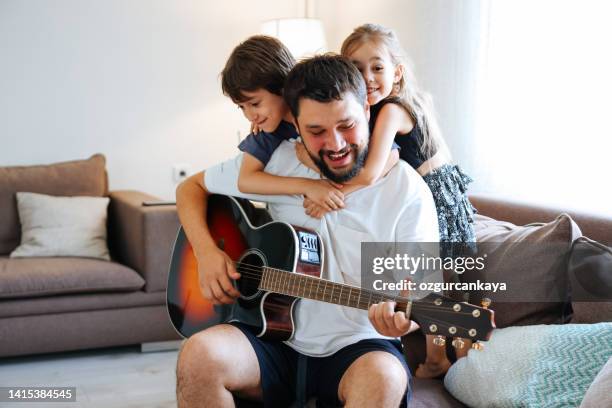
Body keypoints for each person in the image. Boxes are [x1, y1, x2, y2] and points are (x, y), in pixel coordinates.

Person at [175, 54, 439, 407]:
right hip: (270, 336)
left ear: (366, 107)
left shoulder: (405, 190)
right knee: (199, 354)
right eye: (316, 131)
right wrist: (207, 253)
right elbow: (190, 189)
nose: (336, 144)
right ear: (295, 123)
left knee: (385, 376)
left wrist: (404, 322)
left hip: (358, 344)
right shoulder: (272, 165)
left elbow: (419, 291)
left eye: (347, 125)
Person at [339, 23, 477, 378]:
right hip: (449, 191)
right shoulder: (410, 102)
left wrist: (334, 194)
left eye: (377, 67)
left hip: (433, 197)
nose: (367, 77)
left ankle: (438, 359)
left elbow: (372, 170)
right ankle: (454, 360)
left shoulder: (390, 111)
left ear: (397, 72)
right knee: (444, 284)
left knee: (430, 284)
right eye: (356, 69)